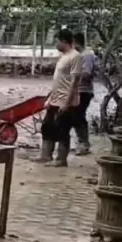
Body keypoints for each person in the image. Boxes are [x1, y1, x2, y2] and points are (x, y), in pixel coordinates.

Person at [34, 29, 82, 167]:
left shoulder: (75, 57)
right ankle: (45, 155)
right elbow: (58, 80)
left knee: (63, 130)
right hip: (55, 99)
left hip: (67, 102)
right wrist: (50, 98)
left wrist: (66, 103)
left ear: (64, 41)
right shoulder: (63, 56)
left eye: (57, 41)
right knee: (47, 127)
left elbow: (74, 82)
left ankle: (61, 159)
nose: (55, 44)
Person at [72, 32, 98, 156]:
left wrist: (72, 78)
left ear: (76, 42)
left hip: (84, 90)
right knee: (76, 116)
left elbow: (86, 74)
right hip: (78, 90)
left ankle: (84, 143)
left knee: (78, 116)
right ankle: (82, 142)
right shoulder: (81, 55)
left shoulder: (87, 55)